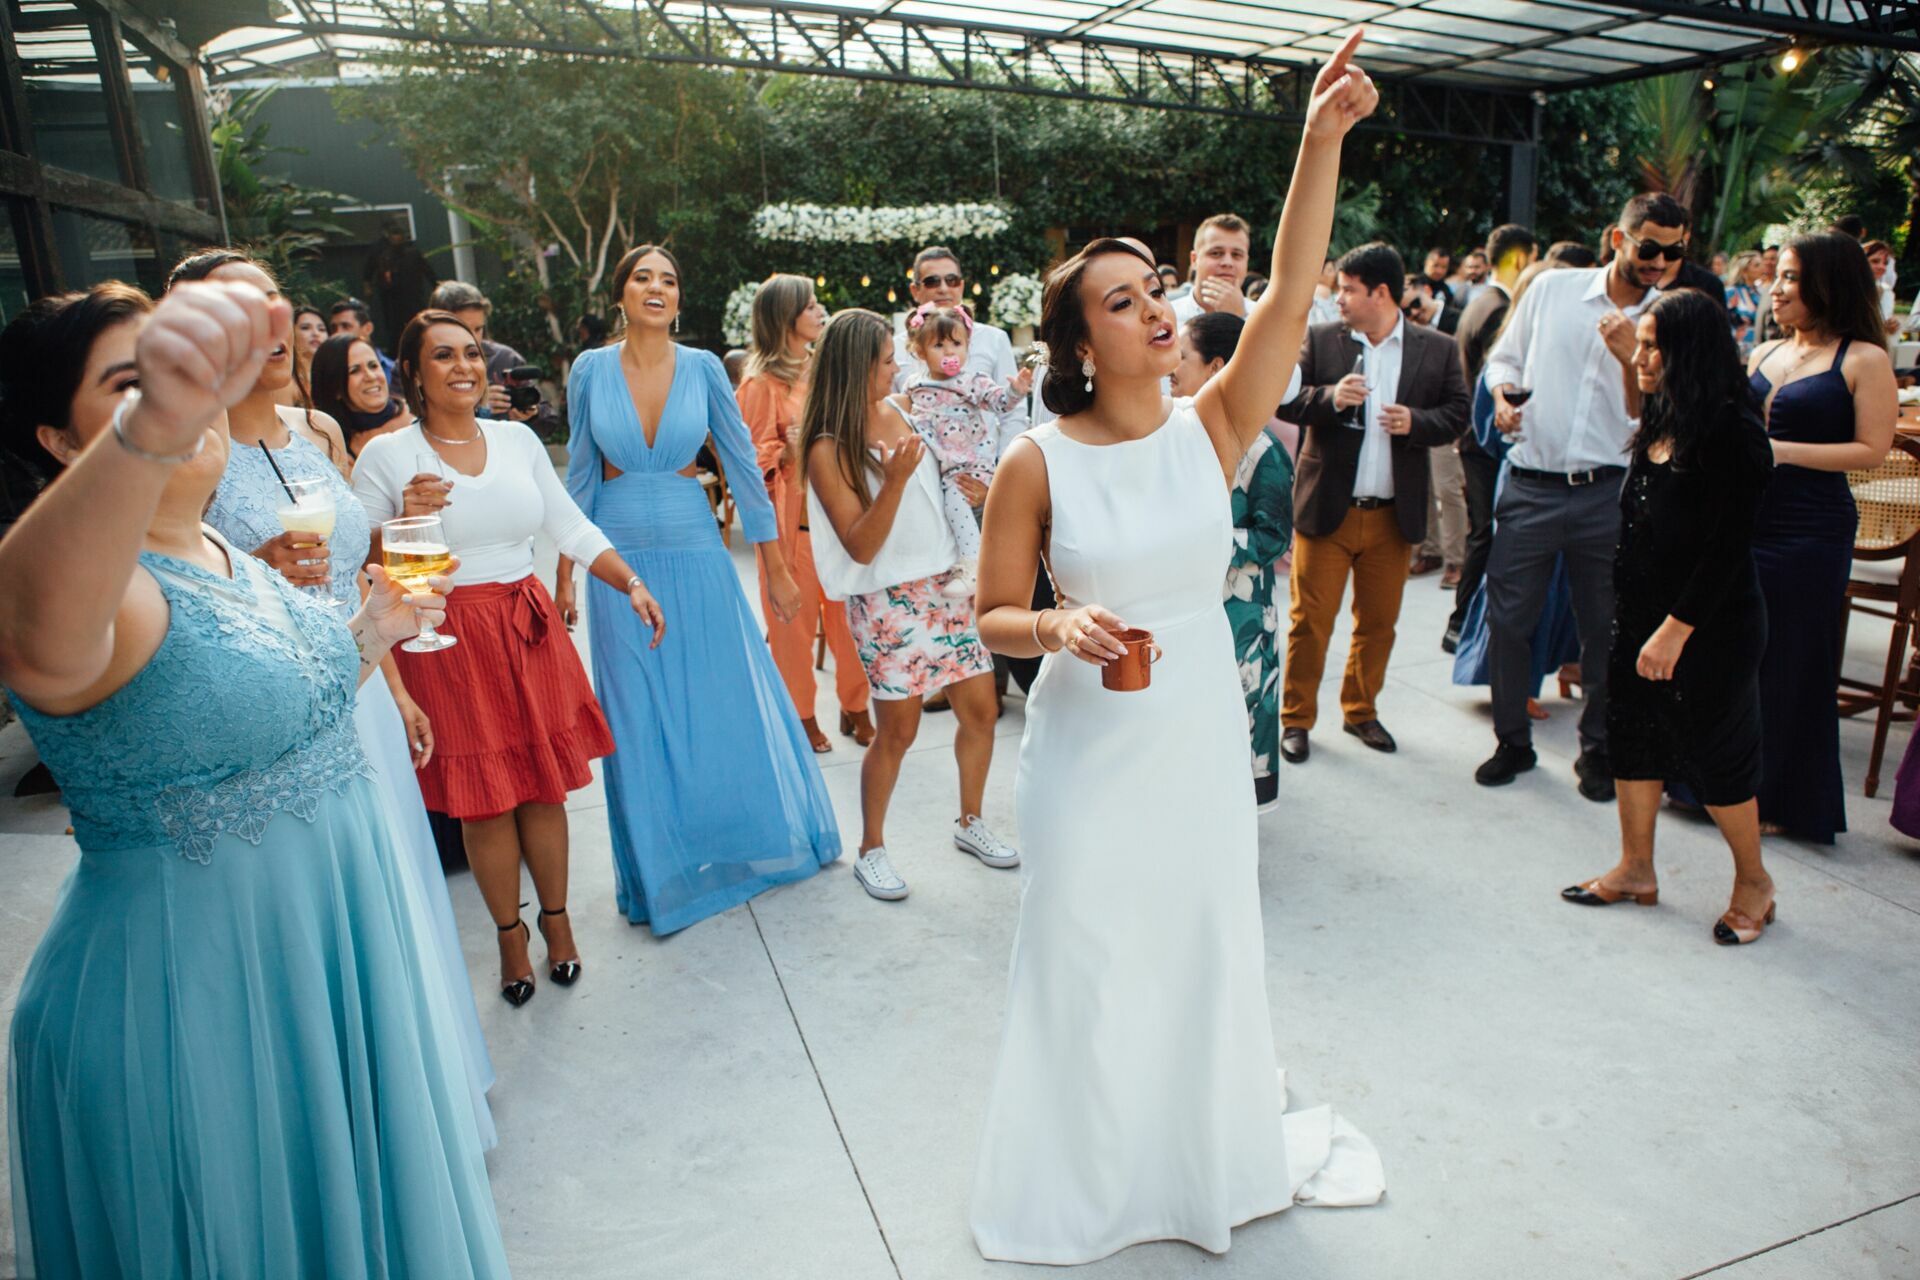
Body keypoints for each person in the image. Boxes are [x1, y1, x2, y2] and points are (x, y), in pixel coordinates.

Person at [968, 32, 1386, 1264]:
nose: (1155, 307)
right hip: (1092, 740)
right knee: (1086, 950)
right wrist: (1056, 624)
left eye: (1156, 286)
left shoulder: (1216, 422)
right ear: (1079, 343)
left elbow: (1295, 287)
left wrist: (1321, 139)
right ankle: (1091, 1182)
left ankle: (1198, 1163)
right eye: (1123, 299)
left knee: (1205, 942)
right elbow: (990, 614)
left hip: (1200, 721)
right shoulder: (1033, 462)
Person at [0, 279, 508, 1277]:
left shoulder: (226, 546)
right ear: (63, 443)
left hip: (328, 966)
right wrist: (162, 419)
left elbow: (283, 709)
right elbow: (25, 620)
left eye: (186, 372)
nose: (179, 399)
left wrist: (375, 630)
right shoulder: (104, 594)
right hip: (199, 1008)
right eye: (134, 386)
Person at [175, 250, 495, 1136]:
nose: (267, 326)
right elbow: (182, 587)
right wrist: (257, 571)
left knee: (401, 877)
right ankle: (376, 1111)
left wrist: (396, 687)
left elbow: (359, 575)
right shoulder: (187, 457)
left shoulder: (315, 432)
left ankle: (438, 1092)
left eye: (273, 303)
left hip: (361, 683)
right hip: (279, 702)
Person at [354, 308, 656, 1000]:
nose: (464, 366)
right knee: (486, 803)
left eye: (471, 353)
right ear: (416, 376)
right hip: (446, 637)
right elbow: (358, 563)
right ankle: (508, 939)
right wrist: (400, 519)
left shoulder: (516, 440)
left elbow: (569, 525)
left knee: (544, 787)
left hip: (527, 626)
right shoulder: (388, 457)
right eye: (443, 356)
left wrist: (630, 581)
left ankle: (559, 925)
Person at [562, 245, 841, 934]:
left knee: (718, 695)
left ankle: (731, 841)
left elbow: (744, 467)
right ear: (621, 294)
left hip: (696, 546)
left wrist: (775, 565)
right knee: (637, 712)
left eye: (669, 278)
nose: (656, 287)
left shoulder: (706, 368)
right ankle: (659, 867)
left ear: (678, 298)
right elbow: (580, 475)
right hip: (618, 557)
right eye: (642, 278)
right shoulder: (590, 371)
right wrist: (567, 572)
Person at [1563, 288, 1778, 944]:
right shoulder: (1662, 415)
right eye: (1642, 344)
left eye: (1654, 345)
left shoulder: (1733, 433)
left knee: (1716, 758)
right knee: (1634, 738)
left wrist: (1673, 631)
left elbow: (1726, 549)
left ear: (1690, 351)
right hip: (1642, 617)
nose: (1641, 357)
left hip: (1707, 626)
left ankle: (1754, 884)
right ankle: (1635, 869)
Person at [801, 309, 1015, 902]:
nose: (898, 367)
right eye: (887, 360)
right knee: (897, 730)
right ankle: (871, 849)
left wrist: (981, 489)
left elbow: (951, 474)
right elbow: (861, 544)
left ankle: (971, 821)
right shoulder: (826, 447)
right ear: (856, 368)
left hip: (947, 584)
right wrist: (892, 481)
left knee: (981, 710)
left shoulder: (902, 410)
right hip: (888, 600)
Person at [1475, 192, 1681, 797]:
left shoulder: (1672, 318)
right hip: (1531, 483)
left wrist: (1629, 357)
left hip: (1610, 492)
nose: (1659, 262)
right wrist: (1505, 395)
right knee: (1510, 622)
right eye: (1649, 248)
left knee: (1606, 626)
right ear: (1618, 240)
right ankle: (1512, 740)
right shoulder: (1551, 291)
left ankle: (1598, 749)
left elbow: (1660, 420)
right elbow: (1502, 358)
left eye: (1673, 253)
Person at [1276, 241, 1469, 763]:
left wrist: (1417, 422)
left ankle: (1360, 711)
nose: (1338, 298)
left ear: (1380, 293)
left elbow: (1458, 412)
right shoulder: (1321, 340)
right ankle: (1295, 719)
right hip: (1328, 511)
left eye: (1347, 289)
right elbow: (1288, 399)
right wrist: (1331, 399)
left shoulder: (1438, 347)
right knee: (1309, 623)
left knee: (1379, 623)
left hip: (1393, 515)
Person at [1744, 233, 1899, 842]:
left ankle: (1785, 800)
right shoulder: (1761, 354)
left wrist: (1781, 451)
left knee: (1795, 660)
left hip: (1811, 528)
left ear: (1827, 284)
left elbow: (1872, 451)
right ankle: (1721, 783)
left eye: (1789, 278)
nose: (1776, 288)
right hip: (1749, 520)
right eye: (1776, 276)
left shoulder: (1864, 359)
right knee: (1739, 653)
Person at [738, 272, 874, 752]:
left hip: (841, 525)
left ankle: (855, 706)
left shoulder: (825, 369)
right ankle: (801, 716)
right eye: (810, 304)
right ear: (784, 318)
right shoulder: (759, 384)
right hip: (792, 533)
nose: (820, 311)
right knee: (792, 634)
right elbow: (749, 462)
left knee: (852, 625)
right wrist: (786, 454)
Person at [1172, 310, 1294, 809]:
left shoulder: (1264, 452)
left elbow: (1273, 539)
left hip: (1240, 618)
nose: (1171, 369)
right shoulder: (1176, 434)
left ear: (1217, 367)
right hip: (1185, 609)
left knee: (1239, 722)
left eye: (1182, 358)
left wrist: (1199, 539)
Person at [1446, 223, 1539, 652]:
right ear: (1522, 259)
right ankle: (1462, 622)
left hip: (1471, 437)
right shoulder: (1500, 308)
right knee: (1485, 533)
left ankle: (1461, 621)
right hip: (1483, 439)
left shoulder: (1479, 299)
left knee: (1480, 532)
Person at [901, 301, 1033, 598]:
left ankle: (973, 565)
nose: (950, 352)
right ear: (920, 352)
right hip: (939, 464)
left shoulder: (971, 381)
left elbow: (1000, 403)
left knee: (956, 504)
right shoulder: (913, 385)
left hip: (970, 462)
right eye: (939, 345)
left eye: (956, 344)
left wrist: (1016, 390)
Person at [893, 246, 1028, 454]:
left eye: (951, 280)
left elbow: (1012, 417)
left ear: (961, 286)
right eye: (932, 281)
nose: (944, 288)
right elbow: (891, 414)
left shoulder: (994, 339)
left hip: (978, 469)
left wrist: (1002, 475)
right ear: (915, 290)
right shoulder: (896, 347)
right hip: (920, 468)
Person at [429, 279, 554, 430]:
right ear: (436, 326)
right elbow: (409, 421)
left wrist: (531, 413)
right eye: (463, 329)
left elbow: (549, 419)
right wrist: (476, 406)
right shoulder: (418, 365)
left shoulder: (505, 358)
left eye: (478, 329)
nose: (473, 338)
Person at [311, 331, 414, 457]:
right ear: (335, 388)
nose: (370, 376)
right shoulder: (332, 450)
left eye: (373, 366)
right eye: (355, 371)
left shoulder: (419, 417)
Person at [1173, 213, 1258, 325]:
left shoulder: (1264, 319)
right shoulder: (1168, 316)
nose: (1227, 263)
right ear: (1194, 260)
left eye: (1236, 255)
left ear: (1246, 261)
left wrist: (1238, 320)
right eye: (1216, 253)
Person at [362, 215, 438, 338]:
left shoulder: (412, 253)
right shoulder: (381, 252)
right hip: (392, 298)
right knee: (395, 328)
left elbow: (428, 271)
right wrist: (368, 285)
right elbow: (369, 270)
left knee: (418, 323)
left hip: (413, 295)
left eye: (398, 233)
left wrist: (436, 285)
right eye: (393, 233)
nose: (396, 237)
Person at [330, 296, 397, 382]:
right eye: (333, 328)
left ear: (368, 328)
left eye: (346, 326)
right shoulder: (330, 373)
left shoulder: (393, 372)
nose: (337, 333)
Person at [1725, 250, 1767, 350]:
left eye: (1761, 264)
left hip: (1759, 346)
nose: (1762, 268)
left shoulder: (1761, 292)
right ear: (1744, 271)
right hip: (1737, 347)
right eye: (1756, 265)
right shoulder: (1732, 292)